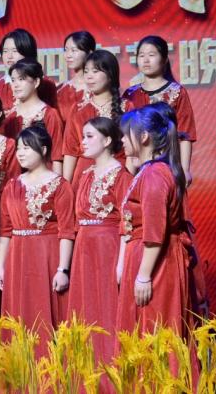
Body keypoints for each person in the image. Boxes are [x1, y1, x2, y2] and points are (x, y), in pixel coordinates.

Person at [115, 103, 193, 339]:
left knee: (155, 330)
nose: (122, 140)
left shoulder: (154, 174)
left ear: (144, 137)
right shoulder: (149, 171)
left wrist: (143, 275)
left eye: (126, 134)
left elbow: (154, 231)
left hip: (156, 262)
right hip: (146, 256)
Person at [0, 126, 76, 351]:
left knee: (44, 313)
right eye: (18, 148)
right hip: (17, 257)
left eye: (27, 148)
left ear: (43, 150)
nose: (20, 153)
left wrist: (62, 269)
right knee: (18, 315)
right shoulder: (12, 185)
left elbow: (66, 230)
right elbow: (5, 231)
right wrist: (1, 266)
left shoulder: (60, 185)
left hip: (46, 256)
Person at [66, 117, 131, 365]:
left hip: (108, 247)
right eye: (83, 136)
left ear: (107, 140)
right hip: (84, 247)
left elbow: (127, 222)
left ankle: (109, 370)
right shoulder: (85, 174)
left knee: (106, 307)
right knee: (84, 308)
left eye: (89, 136)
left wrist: (121, 263)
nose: (83, 142)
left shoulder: (121, 175)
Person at [123, 36, 196, 185]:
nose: (146, 60)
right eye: (141, 55)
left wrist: (184, 169)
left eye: (151, 55)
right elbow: (125, 132)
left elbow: (185, 134)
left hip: (167, 163)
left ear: (164, 59)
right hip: (135, 164)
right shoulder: (130, 94)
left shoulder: (177, 92)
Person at [64, 49, 123, 183]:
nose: (89, 76)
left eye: (95, 71)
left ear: (110, 74)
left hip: (116, 174)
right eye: (86, 71)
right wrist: (66, 186)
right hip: (83, 176)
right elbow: (70, 151)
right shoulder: (78, 109)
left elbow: (131, 151)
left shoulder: (127, 107)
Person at [3, 60, 65, 174]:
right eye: (13, 80)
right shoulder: (9, 118)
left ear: (36, 82)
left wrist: (56, 183)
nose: (15, 85)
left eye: (21, 79)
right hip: (14, 179)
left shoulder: (50, 114)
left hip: (43, 177)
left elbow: (56, 157)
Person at [0, 29, 59, 110]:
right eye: (5, 51)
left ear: (28, 52)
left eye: (15, 51)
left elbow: (52, 112)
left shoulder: (46, 83)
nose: (9, 56)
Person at [58, 31, 97, 115]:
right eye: (66, 50)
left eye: (74, 50)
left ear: (89, 53)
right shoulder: (61, 89)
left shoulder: (98, 88)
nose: (68, 55)